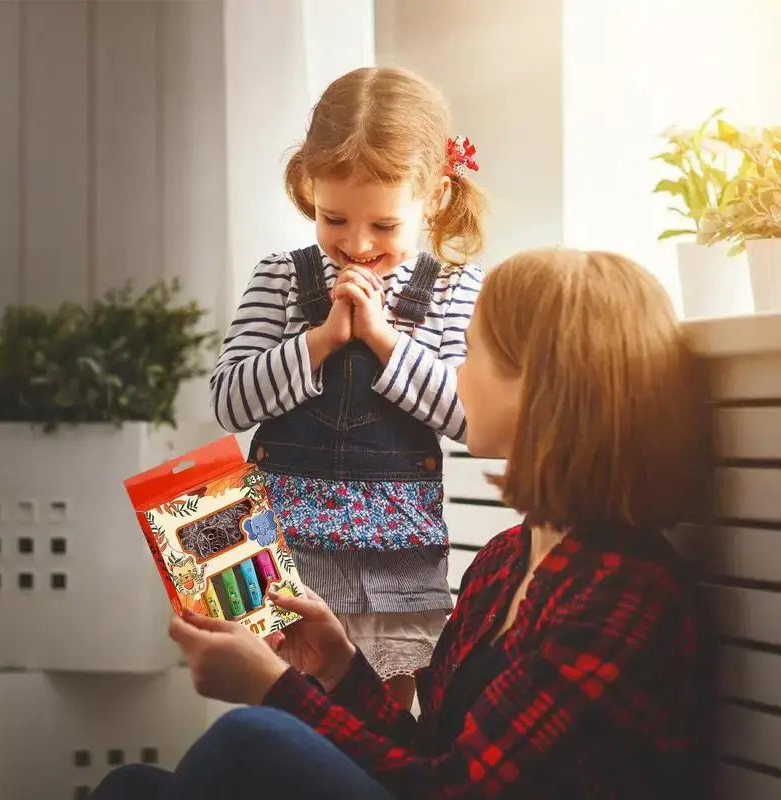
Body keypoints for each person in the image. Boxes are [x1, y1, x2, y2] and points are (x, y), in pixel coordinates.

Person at [92, 248, 707, 799]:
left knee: (250, 737)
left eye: (474, 350)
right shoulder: (504, 561)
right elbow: (431, 754)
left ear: (543, 389)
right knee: (131, 786)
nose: (456, 370)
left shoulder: (623, 594)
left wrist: (274, 690)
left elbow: (449, 791)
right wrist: (337, 666)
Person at [209, 66, 486, 708]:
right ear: (309, 185)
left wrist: (385, 339)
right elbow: (227, 401)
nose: (356, 245)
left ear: (435, 198)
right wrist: (320, 340)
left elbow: (468, 416)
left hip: (396, 558)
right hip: (285, 553)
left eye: (384, 227)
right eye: (334, 218)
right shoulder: (281, 278)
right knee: (282, 713)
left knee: (380, 716)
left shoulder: (453, 289)